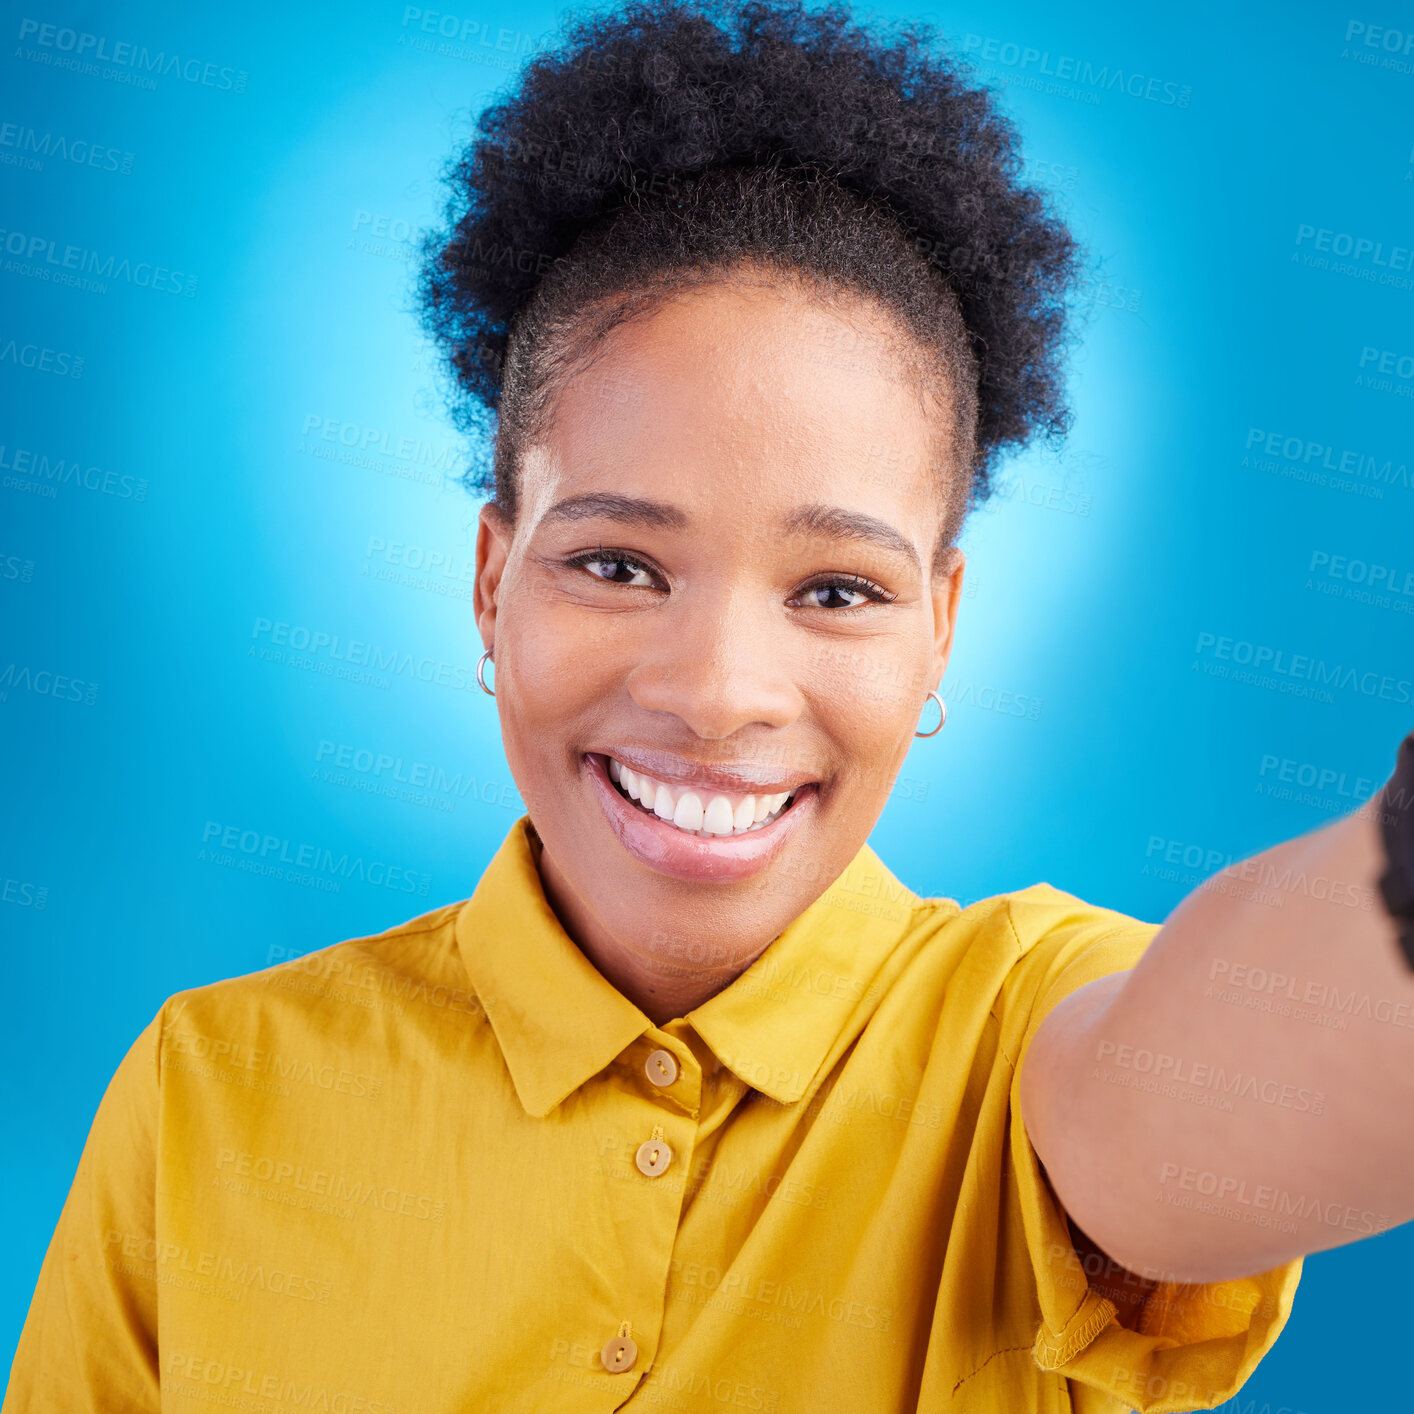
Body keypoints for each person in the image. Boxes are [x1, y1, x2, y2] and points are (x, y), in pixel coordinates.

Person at [6, 0, 1414, 1410]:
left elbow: (1238, 1073)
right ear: (492, 579)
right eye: (615, 562)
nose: (716, 694)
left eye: (839, 591)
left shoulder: (1025, 1031)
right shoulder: (213, 1090)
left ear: (940, 628)